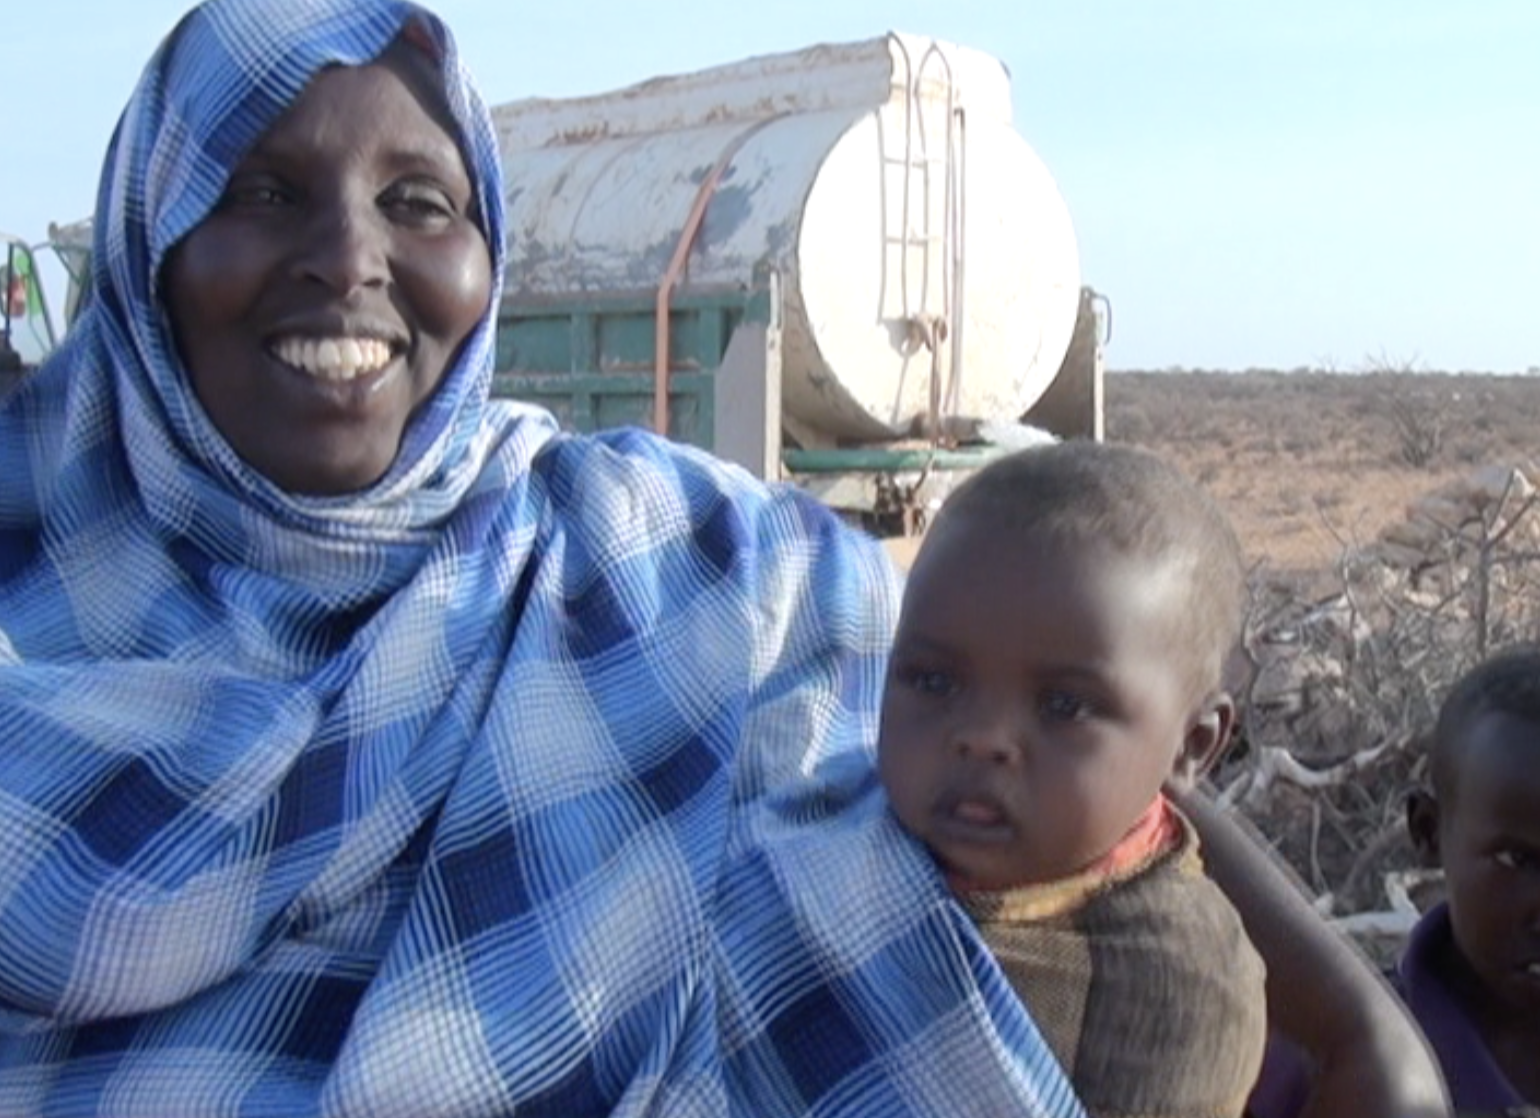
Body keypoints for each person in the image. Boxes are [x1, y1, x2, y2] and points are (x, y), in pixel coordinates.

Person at [0, 0, 1450, 1114]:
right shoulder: (32, 597)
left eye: (418, 203)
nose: (349, 258)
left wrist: (1361, 1025)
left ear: (484, 251)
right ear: (148, 244)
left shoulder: (666, 551)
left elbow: (1066, 717)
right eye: (261, 191)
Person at [877, 442, 1267, 1117]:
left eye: (1065, 705)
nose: (983, 738)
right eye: (934, 681)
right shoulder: (831, 827)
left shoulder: (1172, 992)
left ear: (1193, 747)